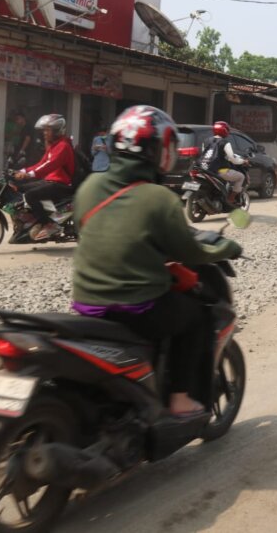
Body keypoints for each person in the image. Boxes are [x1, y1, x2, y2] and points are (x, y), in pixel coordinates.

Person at [71, 105, 241, 417]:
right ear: (158, 150)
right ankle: (179, 399)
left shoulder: (89, 187)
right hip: (137, 306)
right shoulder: (158, 197)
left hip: (85, 303)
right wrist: (226, 249)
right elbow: (188, 251)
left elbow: (89, 231)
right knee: (198, 317)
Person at [12, 114, 76, 241]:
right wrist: (21, 170)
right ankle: (31, 220)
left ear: (57, 131)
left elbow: (49, 166)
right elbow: (41, 164)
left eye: (48, 130)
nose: (44, 133)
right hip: (51, 181)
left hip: (62, 184)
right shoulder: (54, 146)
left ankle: (49, 224)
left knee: (31, 195)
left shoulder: (63, 146)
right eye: (44, 130)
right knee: (19, 188)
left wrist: (29, 174)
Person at [197, 121, 248, 204]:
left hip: (203, 168)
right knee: (241, 176)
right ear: (225, 130)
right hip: (218, 170)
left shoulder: (206, 141)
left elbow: (205, 153)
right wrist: (242, 161)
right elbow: (232, 159)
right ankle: (231, 198)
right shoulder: (225, 143)